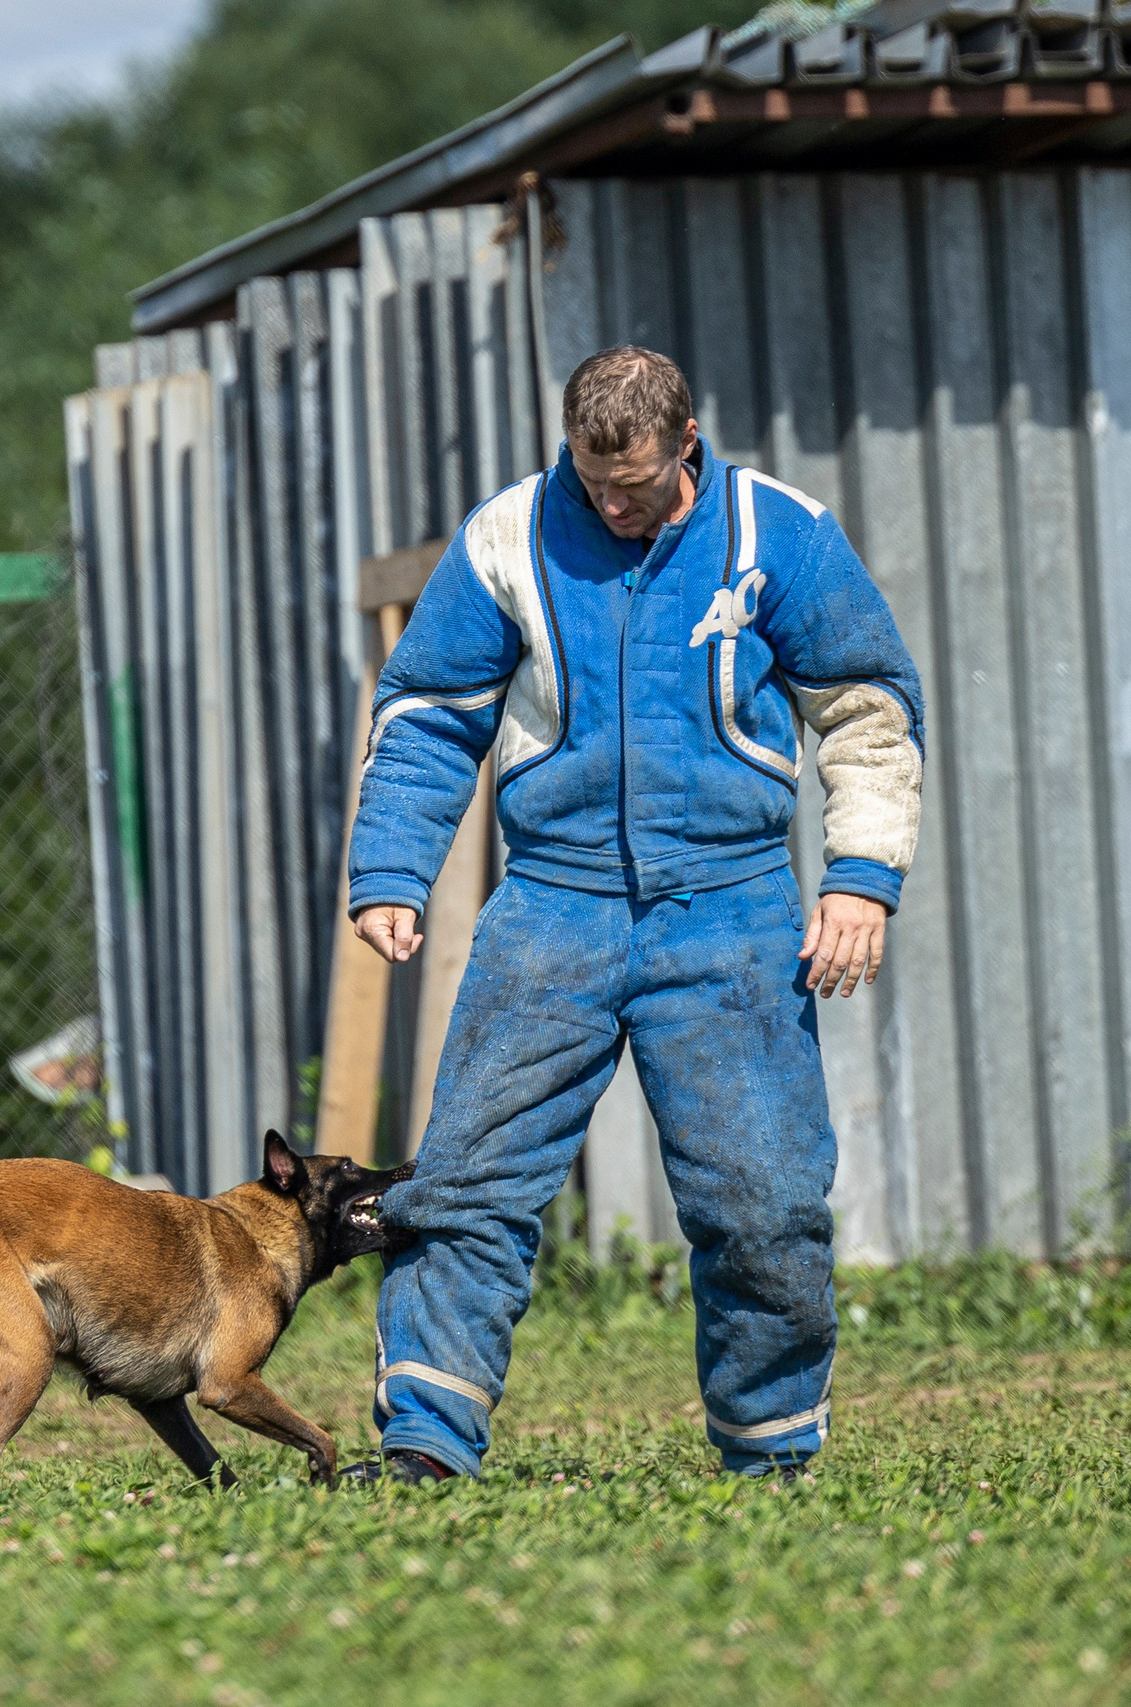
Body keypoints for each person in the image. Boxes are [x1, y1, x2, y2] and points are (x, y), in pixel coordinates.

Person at [339, 346, 925, 1483]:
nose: (613, 506)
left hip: (731, 905)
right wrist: (390, 873)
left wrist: (858, 876)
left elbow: (863, 709)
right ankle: (423, 1443)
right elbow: (425, 715)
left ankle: (769, 1454)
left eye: (639, 487)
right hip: (552, 907)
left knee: (761, 1204)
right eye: (594, 483)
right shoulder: (507, 537)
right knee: (465, 1183)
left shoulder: (780, 534)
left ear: (686, 446)